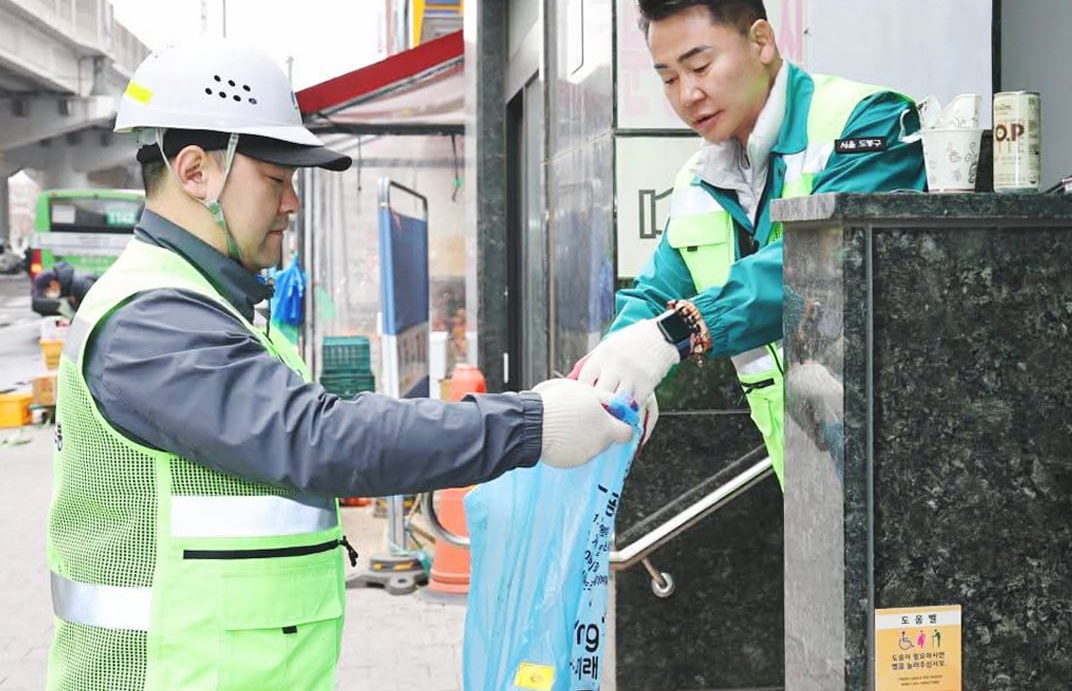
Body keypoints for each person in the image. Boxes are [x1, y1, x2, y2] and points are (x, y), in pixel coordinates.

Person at [46, 39, 642, 691]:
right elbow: (321, 438)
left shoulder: (209, 303)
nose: (292, 203)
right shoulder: (153, 322)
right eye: (275, 179)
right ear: (194, 172)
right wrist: (531, 424)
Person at [575, 0, 925, 486]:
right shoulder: (698, 180)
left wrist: (674, 334)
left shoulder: (867, 123)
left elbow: (821, 265)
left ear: (761, 41)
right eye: (668, 78)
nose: (688, 94)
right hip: (812, 486)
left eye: (700, 65)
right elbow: (652, 294)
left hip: (907, 467)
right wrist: (595, 386)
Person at [30, 260, 97, 318]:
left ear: (53, 284)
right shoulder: (68, 288)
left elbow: (95, 309)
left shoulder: (80, 284)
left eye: (47, 291)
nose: (47, 295)